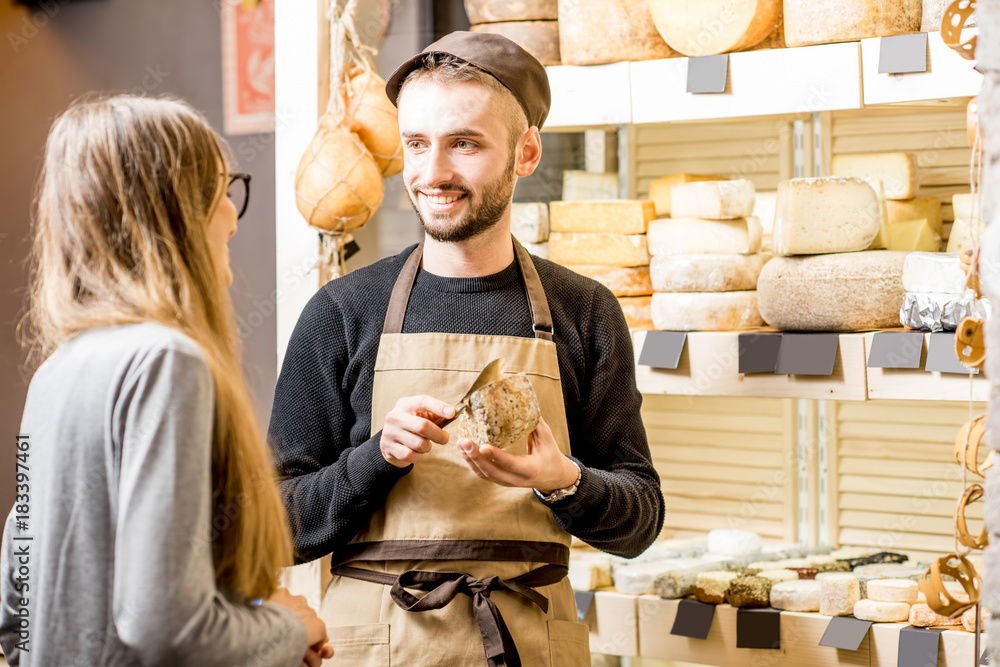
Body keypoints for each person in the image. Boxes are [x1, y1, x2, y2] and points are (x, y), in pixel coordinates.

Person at [269, 32, 665, 665]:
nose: (433, 173)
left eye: (465, 144)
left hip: (528, 643)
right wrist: (377, 459)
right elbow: (276, 528)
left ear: (526, 151)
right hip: (381, 645)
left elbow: (640, 521)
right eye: (417, 144)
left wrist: (564, 482)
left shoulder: (584, 310)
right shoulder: (341, 312)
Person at [0, 96, 334, 667]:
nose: (232, 211)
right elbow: (166, 628)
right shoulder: (167, 361)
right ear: (175, 211)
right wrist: (285, 627)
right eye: (221, 187)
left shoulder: (56, 371)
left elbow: (15, 612)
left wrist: (245, 616)